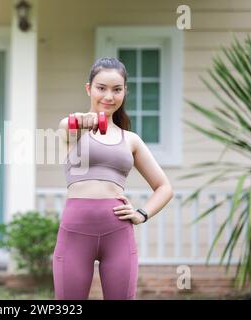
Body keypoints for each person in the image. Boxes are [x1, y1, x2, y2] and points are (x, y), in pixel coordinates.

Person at [54, 57, 174, 300]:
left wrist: (142, 214)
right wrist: (87, 120)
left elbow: (164, 187)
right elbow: (67, 125)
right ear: (89, 89)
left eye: (117, 89)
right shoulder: (72, 130)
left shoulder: (131, 140)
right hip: (75, 234)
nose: (109, 96)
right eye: (101, 88)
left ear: (124, 92)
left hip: (118, 234)